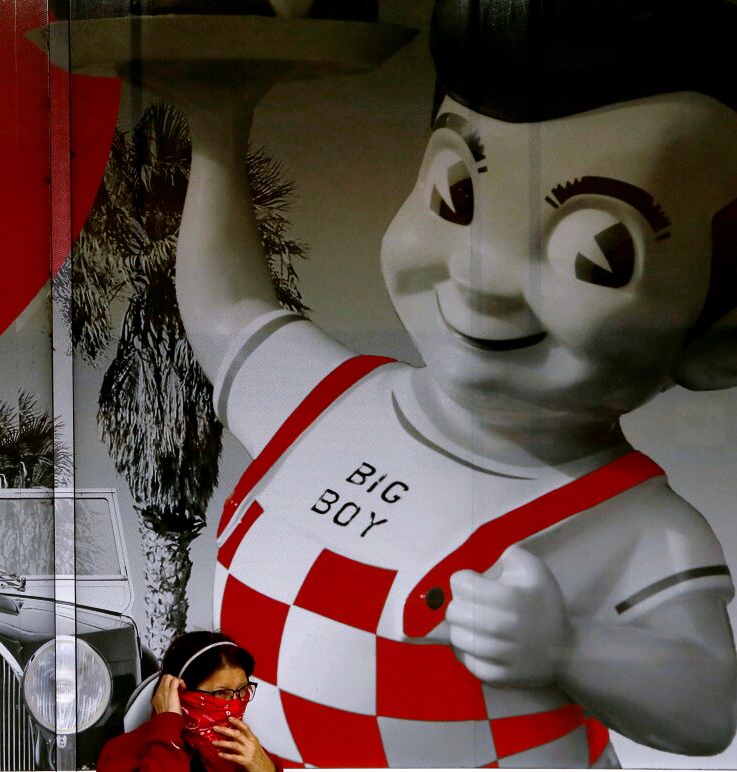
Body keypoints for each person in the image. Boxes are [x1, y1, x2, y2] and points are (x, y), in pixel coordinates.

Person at [164, 0, 737, 767]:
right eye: (456, 195)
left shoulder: (633, 524)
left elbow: (707, 709)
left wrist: (572, 648)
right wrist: (217, 127)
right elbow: (227, 308)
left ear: (721, 345)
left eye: (598, 253)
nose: (480, 273)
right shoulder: (323, 403)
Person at [97, 631, 282, 772]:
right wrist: (167, 729)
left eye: (242, 690)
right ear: (179, 691)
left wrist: (267, 769)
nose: (234, 703)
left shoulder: (244, 751)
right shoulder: (121, 753)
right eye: (220, 693)